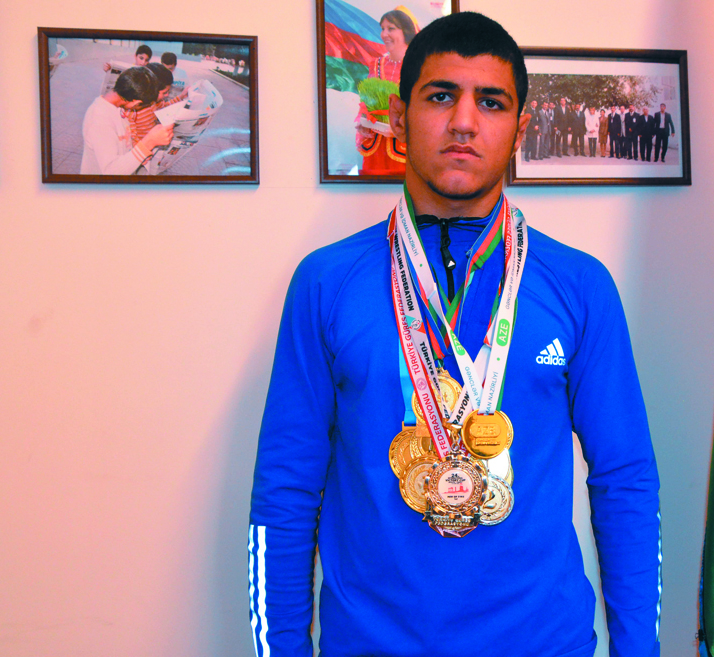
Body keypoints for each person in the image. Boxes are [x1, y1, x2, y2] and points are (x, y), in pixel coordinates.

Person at [247, 11, 661, 657]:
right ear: (399, 117)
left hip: (542, 644)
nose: (464, 121)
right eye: (441, 96)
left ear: (520, 127)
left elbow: (625, 478)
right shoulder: (326, 282)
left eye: (491, 102)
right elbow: (285, 486)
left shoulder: (579, 285)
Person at [355, 7, 419, 175]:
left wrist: (402, 126)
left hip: (404, 149)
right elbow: (366, 102)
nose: (384, 34)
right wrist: (363, 122)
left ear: (406, 31)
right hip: (375, 147)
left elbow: (425, 108)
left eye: (391, 28)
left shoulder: (419, 66)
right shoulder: (376, 64)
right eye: (382, 28)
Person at [79, 66, 173, 175]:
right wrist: (148, 143)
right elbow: (111, 172)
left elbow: (122, 145)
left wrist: (138, 156)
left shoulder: (117, 107)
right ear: (136, 102)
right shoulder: (100, 121)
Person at [124, 63, 188, 147]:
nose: (167, 95)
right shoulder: (133, 111)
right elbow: (133, 139)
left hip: (154, 142)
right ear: (151, 90)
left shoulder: (154, 102)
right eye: (164, 92)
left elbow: (165, 107)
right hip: (143, 147)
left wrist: (181, 96)